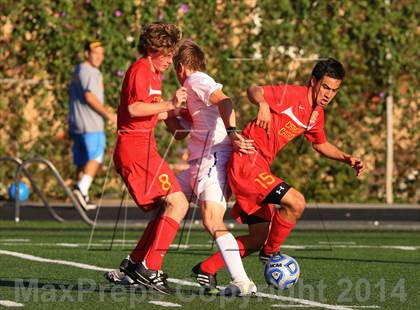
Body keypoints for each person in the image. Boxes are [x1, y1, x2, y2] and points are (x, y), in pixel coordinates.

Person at [192, 58, 366, 281]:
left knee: (258, 238)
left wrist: (347, 158)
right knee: (296, 202)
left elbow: (319, 143)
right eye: (325, 87)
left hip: (260, 167)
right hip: (247, 162)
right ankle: (271, 253)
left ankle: (206, 269)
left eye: (334, 90)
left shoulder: (316, 114)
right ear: (313, 81)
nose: (328, 95)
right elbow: (253, 89)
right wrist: (263, 104)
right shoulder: (291, 95)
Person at [166, 40, 256, 296]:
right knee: (166, 199)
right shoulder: (190, 90)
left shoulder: (196, 81)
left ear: (181, 66)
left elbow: (225, 101)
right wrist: (170, 110)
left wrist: (232, 133)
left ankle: (242, 281)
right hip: (199, 162)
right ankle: (141, 265)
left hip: (214, 157)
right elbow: (179, 133)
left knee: (212, 219)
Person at [106, 22, 189, 294]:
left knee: (161, 209)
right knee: (178, 203)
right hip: (135, 148)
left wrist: (176, 115)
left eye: (171, 54)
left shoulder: (155, 73)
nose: (169, 60)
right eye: (165, 54)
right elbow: (133, 108)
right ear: (151, 50)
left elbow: (151, 111)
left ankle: (134, 264)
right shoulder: (140, 70)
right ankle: (150, 267)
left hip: (144, 147)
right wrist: (170, 105)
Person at [69, 40, 117, 210]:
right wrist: (108, 114)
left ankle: (82, 198)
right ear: (86, 54)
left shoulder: (78, 69)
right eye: (95, 53)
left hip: (77, 124)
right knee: (96, 157)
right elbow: (89, 96)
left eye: (101, 53)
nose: (98, 57)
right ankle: (81, 189)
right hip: (91, 123)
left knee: (82, 161)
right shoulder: (91, 71)